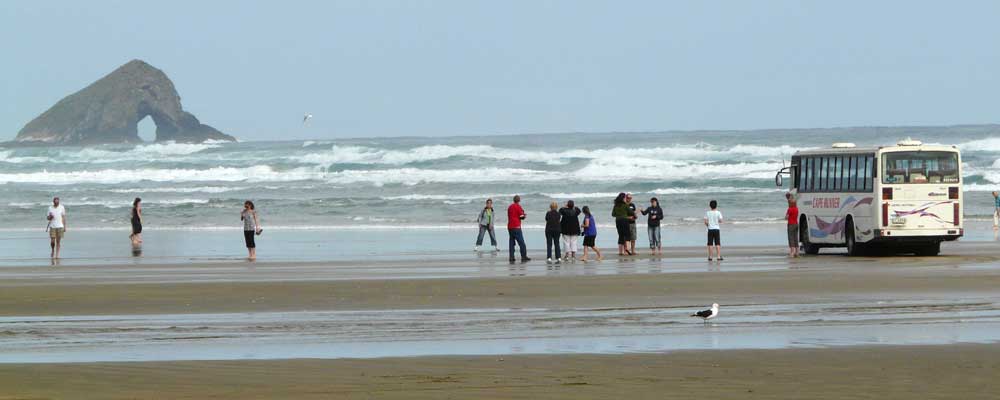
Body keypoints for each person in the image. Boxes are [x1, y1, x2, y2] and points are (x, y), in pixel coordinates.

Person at [507, 195, 530, 263]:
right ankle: (523, 256)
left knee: (511, 242)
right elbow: (521, 216)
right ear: (519, 200)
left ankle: (511, 257)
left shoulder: (510, 207)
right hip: (516, 226)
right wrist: (524, 216)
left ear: (514, 200)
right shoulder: (518, 206)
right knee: (521, 243)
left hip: (510, 226)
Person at [785, 193, 800, 258]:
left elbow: (786, 217)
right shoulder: (796, 209)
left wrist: (785, 217)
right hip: (796, 224)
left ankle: (792, 252)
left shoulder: (790, 209)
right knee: (795, 237)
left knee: (791, 238)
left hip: (791, 224)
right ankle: (797, 252)